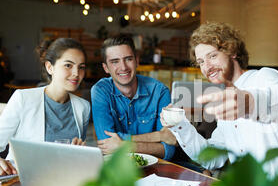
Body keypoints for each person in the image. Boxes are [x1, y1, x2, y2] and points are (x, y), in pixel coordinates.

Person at [160, 22, 278, 179]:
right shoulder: (226, 105)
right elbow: (210, 159)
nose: (207, 67)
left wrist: (251, 103)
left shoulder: (263, 77)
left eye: (212, 56)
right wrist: (180, 125)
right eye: (201, 62)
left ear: (232, 52)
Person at [0, 38, 90, 175]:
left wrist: (79, 153)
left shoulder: (83, 107)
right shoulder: (23, 99)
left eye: (81, 67)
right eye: (68, 65)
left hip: (64, 181)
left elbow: (77, 155)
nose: (76, 73)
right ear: (49, 67)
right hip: (21, 182)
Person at [91, 35, 175, 160]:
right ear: (106, 68)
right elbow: (107, 143)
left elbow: (168, 149)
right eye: (115, 61)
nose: (123, 67)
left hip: (157, 168)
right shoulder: (101, 91)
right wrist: (158, 136)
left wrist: (123, 145)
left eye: (128, 59)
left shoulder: (160, 91)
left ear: (137, 61)